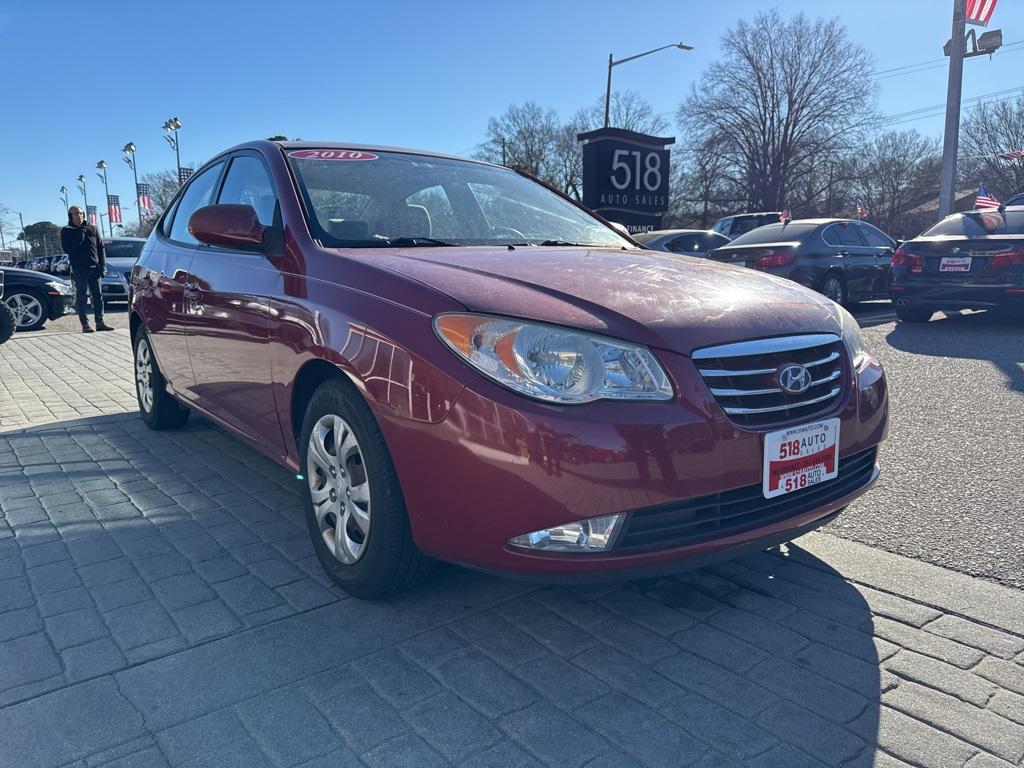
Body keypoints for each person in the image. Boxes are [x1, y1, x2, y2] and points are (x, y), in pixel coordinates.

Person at [60, 206, 113, 333]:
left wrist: (103, 266)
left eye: (81, 213)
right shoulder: (66, 231)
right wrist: (79, 236)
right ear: (70, 216)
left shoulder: (92, 228)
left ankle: (100, 322)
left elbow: (101, 248)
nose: (79, 216)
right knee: (82, 297)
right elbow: (67, 249)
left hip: (95, 268)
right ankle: (85, 324)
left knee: (98, 296)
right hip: (79, 270)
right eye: (75, 214)